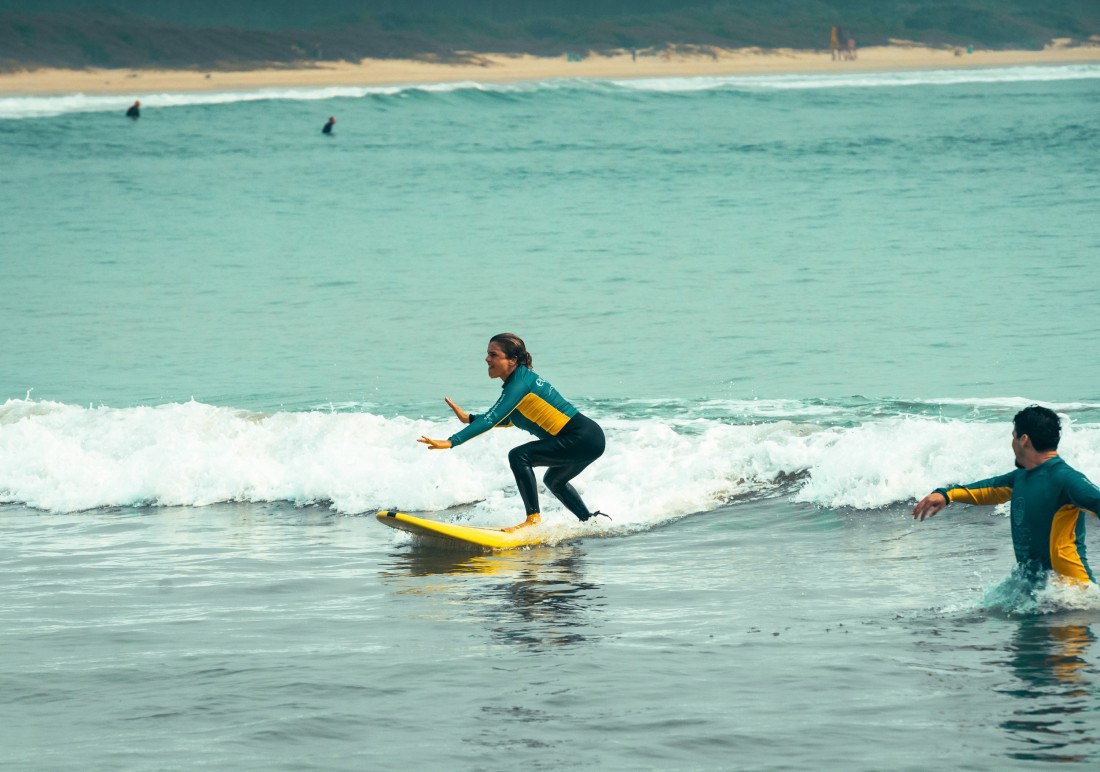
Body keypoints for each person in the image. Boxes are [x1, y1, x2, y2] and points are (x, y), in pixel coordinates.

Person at [418, 333, 609, 532]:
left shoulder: (519, 384)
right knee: (554, 481)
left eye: (493, 354)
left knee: (519, 456)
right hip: (589, 438)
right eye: (487, 354)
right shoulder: (521, 381)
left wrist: (452, 441)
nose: (487, 359)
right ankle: (590, 524)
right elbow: (511, 419)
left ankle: (533, 519)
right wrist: (470, 418)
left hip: (581, 438)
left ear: (512, 360)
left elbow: (492, 418)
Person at [913, 406, 1100, 584]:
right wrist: (946, 495)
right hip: (1037, 591)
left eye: (1014, 436)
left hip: (1073, 595)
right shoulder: (1022, 477)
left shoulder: (1066, 479)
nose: (1012, 443)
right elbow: (987, 489)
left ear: (1024, 439)